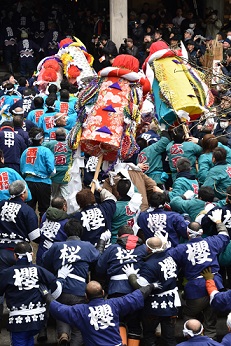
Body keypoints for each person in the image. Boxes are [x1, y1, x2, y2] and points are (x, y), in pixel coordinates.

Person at [42, 218, 104, 346]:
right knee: (78, 325)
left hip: (61, 287)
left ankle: (63, 333)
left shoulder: (56, 246)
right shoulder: (87, 246)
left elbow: (45, 260)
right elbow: (98, 258)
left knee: (62, 312)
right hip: (79, 289)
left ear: (65, 232)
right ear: (81, 232)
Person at [168, 210, 229, 339]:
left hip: (196, 289)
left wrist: (163, 243)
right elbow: (224, 235)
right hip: (215, 285)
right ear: (201, 233)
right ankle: (209, 339)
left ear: (187, 234)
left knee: (188, 315)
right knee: (211, 321)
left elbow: (166, 257)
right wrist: (218, 222)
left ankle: (191, 339)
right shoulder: (212, 242)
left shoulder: (181, 249)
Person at [0, 241, 72, 346]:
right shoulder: (39, 270)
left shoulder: (7, 273)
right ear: (32, 254)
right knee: (29, 339)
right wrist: (60, 278)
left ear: (15, 256)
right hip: (37, 319)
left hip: (18, 321)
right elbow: (55, 287)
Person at [41, 279, 154, 346]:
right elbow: (135, 297)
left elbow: (58, 309)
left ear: (86, 297)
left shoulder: (81, 311)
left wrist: (46, 294)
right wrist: (151, 286)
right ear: (103, 292)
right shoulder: (114, 304)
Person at [123, 235, 180, 346]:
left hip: (154, 305)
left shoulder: (149, 265)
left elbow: (140, 286)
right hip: (170, 302)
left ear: (148, 249)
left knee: (149, 335)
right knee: (170, 338)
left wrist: (131, 276)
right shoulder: (170, 257)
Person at [96, 225, 147, 345]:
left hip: (116, 289)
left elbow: (99, 268)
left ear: (119, 236)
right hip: (137, 289)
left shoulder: (112, 248)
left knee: (119, 321)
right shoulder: (143, 248)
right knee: (134, 323)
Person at [20, 127, 55, 220]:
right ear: (41, 138)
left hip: (28, 182)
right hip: (43, 182)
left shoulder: (25, 151)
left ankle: (29, 228)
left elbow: (22, 168)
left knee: (29, 208)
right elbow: (51, 169)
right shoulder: (46, 151)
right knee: (44, 209)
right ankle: (43, 227)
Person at [73, 179, 116, 245]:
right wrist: (100, 189)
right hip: (106, 247)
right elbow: (111, 199)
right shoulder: (105, 208)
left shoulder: (77, 217)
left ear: (79, 203)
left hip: (89, 250)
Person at [36, 196, 69, 266]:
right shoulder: (67, 222)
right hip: (56, 255)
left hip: (41, 253)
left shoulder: (45, 215)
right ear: (64, 206)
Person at [43, 128, 72, 199]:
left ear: (55, 135)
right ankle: (65, 208)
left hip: (54, 172)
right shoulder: (70, 144)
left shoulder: (49, 144)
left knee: (53, 195)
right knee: (66, 195)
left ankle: (51, 209)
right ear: (65, 135)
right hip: (66, 173)